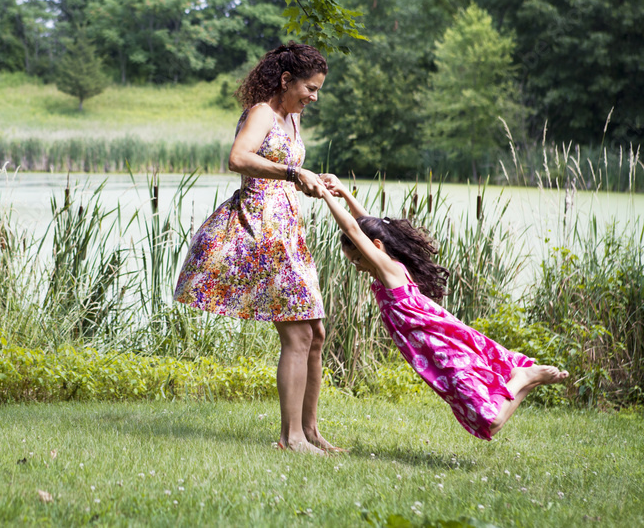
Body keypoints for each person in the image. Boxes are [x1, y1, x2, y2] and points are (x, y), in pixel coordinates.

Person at [173, 42, 342, 455]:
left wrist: (316, 179)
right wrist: (291, 171)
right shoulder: (262, 112)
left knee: (315, 332)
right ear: (286, 80)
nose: (314, 97)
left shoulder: (291, 118)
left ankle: (311, 431)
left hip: (287, 228)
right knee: (298, 333)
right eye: (310, 88)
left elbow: (289, 171)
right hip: (261, 229)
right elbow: (239, 158)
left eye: (318, 89)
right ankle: (291, 438)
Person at [319, 174, 568, 440]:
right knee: (486, 423)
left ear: (374, 248)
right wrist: (344, 193)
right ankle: (526, 379)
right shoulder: (386, 268)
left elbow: (357, 231)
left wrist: (326, 196)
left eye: (357, 258)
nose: (357, 266)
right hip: (431, 353)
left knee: (490, 420)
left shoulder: (388, 269)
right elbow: (370, 226)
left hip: (440, 348)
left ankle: (523, 377)